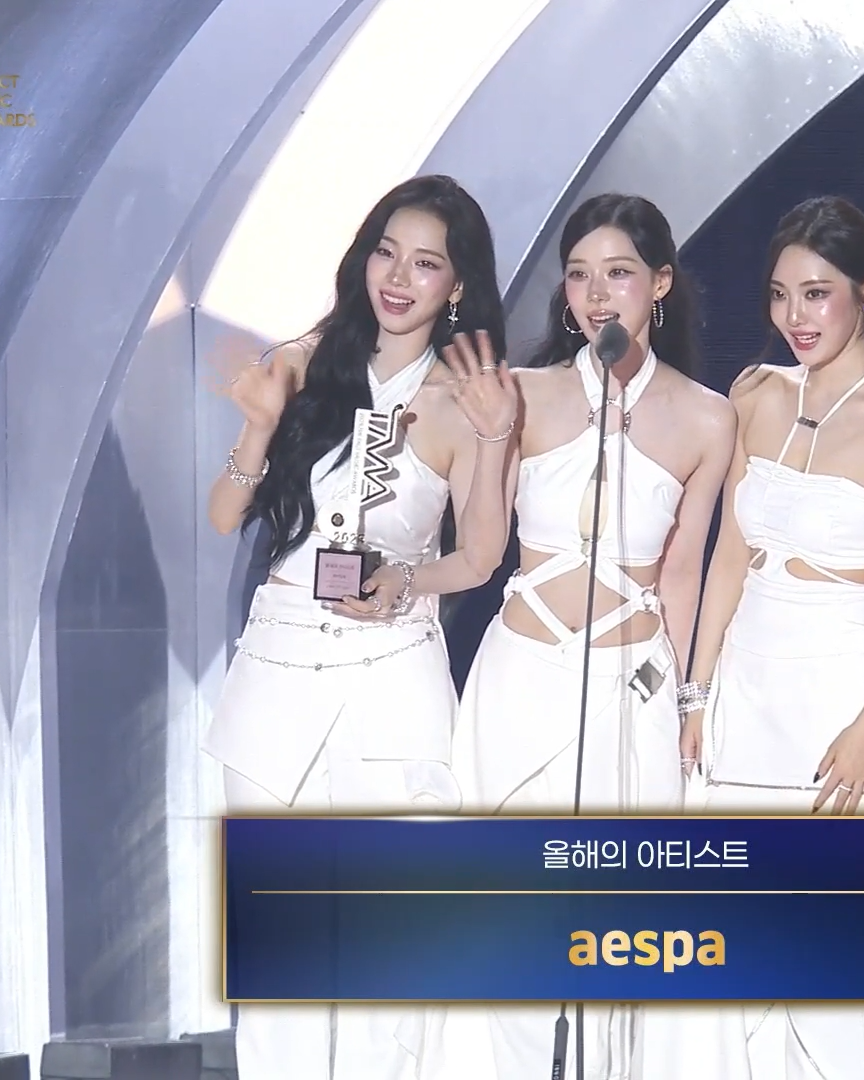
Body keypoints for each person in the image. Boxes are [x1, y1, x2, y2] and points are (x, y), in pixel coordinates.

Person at [199, 174, 519, 1080]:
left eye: (425, 264)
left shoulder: (468, 397)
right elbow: (225, 515)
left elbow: (480, 555)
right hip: (279, 667)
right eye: (387, 253)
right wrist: (260, 427)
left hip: (391, 668)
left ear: (456, 285)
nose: (399, 278)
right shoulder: (307, 362)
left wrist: (408, 576)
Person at [635, 195, 864, 1080]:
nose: (795, 317)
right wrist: (696, 692)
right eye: (780, 295)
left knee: (821, 976)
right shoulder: (756, 394)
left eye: (816, 294)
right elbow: (729, 557)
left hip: (837, 698)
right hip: (742, 693)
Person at [447, 192, 736, 1079]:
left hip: (630, 682)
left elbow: (682, 572)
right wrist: (491, 438)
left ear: (661, 283)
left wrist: (686, 698)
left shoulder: (706, 416)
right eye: (579, 276)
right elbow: (481, 547)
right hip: (520, 672)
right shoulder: (521, 393)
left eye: (618, 273)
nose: (597, 294)